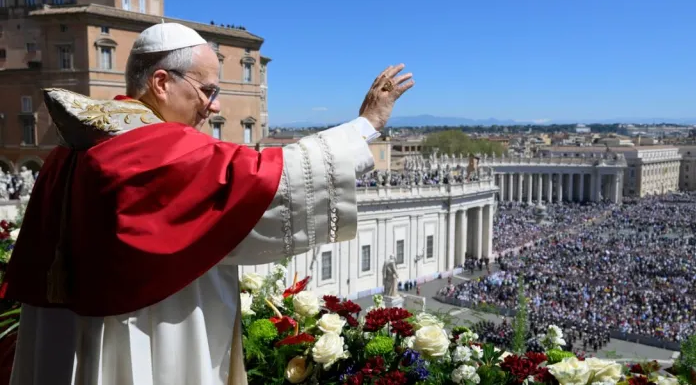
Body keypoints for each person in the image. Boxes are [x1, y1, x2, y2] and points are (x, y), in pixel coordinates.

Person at [0, 22, 414, 385]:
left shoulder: (73, 147)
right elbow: (266, 179)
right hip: (146, 334)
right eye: (207, 90)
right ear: (161, 82)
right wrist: (366, 125)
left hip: (69, 338)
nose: (214, 105)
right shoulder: (154, 148)